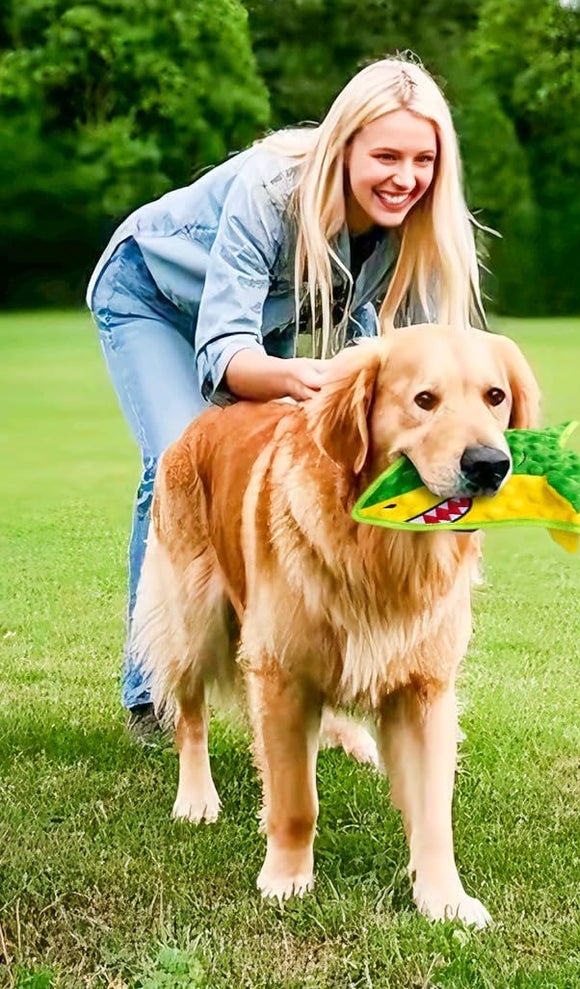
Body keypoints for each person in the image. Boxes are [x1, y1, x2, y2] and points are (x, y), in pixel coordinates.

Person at [88, 56, 483, 743]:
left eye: (423, 158)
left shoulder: (411, 224)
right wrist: (307, 379)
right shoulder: (270, 190)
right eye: (385, 154)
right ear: (344, 146)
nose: (405, 176)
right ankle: (150, 696)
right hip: (150, 295)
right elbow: (225, 353)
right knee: (181, 454)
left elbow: (418, 355)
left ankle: (299, 663)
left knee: (321, 460)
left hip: (253, 326)